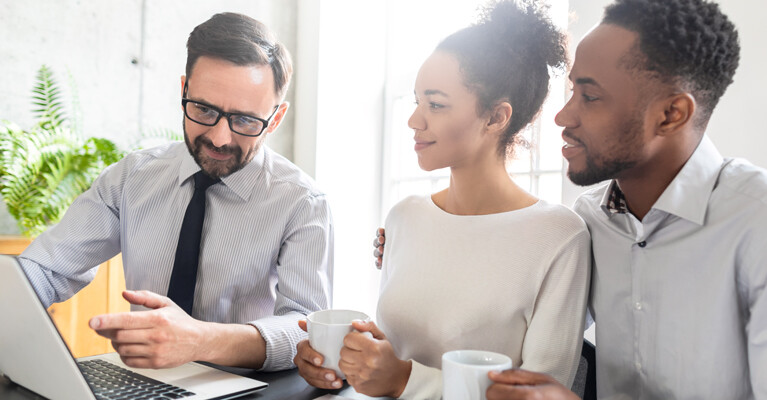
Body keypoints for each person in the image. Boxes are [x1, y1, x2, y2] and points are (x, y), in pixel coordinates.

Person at [296, 1, 591, 398]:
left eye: (435, 104)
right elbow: (397, 355)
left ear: (496, 117)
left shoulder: (558, 237)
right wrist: (345, 363)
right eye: (418, 100)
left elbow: (541, 395)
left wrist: (404, 379)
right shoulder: (404, 217)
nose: (415, 120)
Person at [481, 0, 767, 398]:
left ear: (671, 114)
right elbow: (510, 327)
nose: (563, 117)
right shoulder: (589, 221)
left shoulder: (757, 222)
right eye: (572, 92)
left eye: (591, 97)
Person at [17, 12, 333, 372]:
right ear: (184, 90)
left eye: (245, 120)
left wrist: (200, 340)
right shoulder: (132, 178)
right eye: (203, 109)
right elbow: (47, 270)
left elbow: (305, 327)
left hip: (254, 389)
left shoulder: (302, 203)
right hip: (147, 383)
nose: (219, 137)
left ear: (275, 119)